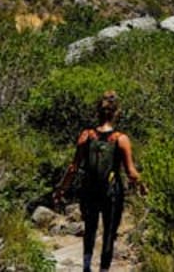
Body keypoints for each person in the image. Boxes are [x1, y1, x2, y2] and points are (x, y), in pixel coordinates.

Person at [52, 90, 146, 272]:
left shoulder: (86, 136)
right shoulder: (121, 139)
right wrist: (143, 186)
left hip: (89, 191)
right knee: (109, 233)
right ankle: (104, 269)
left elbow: (73, 168)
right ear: (117, 113)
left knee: (90, 229)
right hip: (112, 193)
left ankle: (86, 267)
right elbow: (131, 172)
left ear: (98, 113)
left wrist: (61, 188)